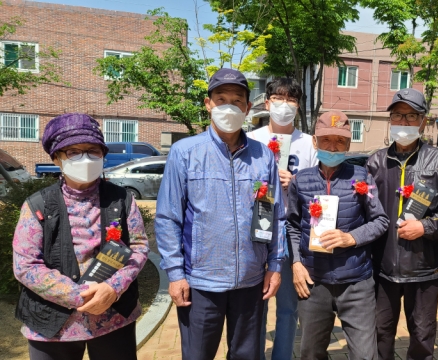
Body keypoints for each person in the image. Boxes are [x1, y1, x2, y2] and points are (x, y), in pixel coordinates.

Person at [155, 68, 286, 360]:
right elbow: (168, 218)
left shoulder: (263, 155)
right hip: (201, 282)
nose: (229, 106)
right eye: (221, 99)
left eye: (237, 101)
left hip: (251, 280)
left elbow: (274, 214)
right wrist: (175, 274)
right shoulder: (185, 152)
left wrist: (275, 265)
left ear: (248, 108)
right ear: (208, 104)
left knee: (247, 356)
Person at [12, 113, 149, 360]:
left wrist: (112, 288)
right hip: (53, 324)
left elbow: (138, 246)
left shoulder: (122, 199)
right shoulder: (37, 205)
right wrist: (78, 295)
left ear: (103, 155)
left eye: (93, 151)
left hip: (114, 318)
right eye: (73, 152)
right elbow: (25, 265)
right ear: (56, 158)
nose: (85, 158)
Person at [366, 88, 438, 360]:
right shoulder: (376, 161)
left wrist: (426, 226)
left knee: (422, 336)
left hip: (425, 268)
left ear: (423, 120)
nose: (404, 122)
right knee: (380, 333)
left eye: (412, 116)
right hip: (383, 267)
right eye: (398, 115)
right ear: (390, 119)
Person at [287, 110, 390, 359]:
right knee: (311, 353)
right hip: (314, 283)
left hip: (357, 283)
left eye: (340, 141)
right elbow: (291, 225)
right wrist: (297, 263)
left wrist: (351, 238)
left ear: (348, 144)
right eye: (326, 140)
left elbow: (381, 220)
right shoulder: (300, 181)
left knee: (365, 354)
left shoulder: (362, 177)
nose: (332, 147)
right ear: (315, 141)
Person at [248, 78, 317, 360]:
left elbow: (318, 192)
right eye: (278, 98)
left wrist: (296, 183)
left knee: (289, 306)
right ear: (267, 103)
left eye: (291, 100)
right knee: (257, 304)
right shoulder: (251, 140)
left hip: (293, 231)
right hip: (257, 229)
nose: (284, 105)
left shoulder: (310, 143)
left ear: (298, 107)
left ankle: (282, 356)